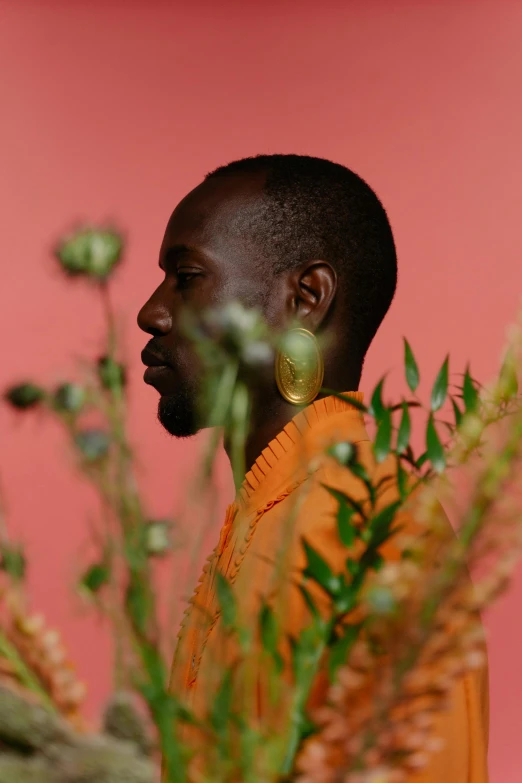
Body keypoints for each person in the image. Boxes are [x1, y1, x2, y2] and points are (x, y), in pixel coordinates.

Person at [137, 154, 489, 781]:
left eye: (186, 277)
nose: (152, 313)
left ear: (306, 298)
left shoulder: (372, 533)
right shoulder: (269, 511)